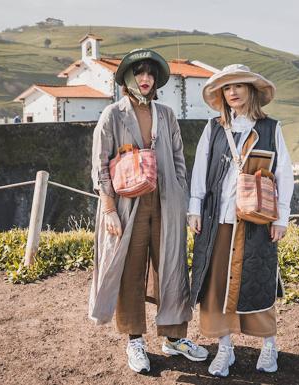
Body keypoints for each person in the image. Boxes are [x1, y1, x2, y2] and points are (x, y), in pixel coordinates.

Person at [89, 48, 208, 374]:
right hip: (128, 208)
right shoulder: (112, 115)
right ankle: (135, 340)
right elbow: (100, 167)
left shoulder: (167, 114)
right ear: (128, 78)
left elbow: (179, 159)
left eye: (151, 74)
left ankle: (173, 337)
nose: (145, 79)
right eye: (139, 73)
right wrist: (109, 208)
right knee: (130, 270)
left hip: (166, 205)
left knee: (172, 268)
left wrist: (181, 196)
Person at [188, 64, 294, 377]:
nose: (232, 92)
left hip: (257, 224)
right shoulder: (214, 128)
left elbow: (284, 174)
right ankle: (225, 348)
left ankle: (269, 346)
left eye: (238, 86)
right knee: (216, 288)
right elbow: (200, 170)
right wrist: (195, 208)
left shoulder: (271, 129)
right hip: (217, 222)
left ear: (250, 91)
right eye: (226, 88)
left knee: (257, 283)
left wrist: (282, 217)